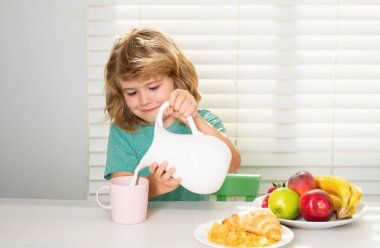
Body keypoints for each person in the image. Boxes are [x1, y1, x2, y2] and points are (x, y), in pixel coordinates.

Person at [104, 28, 241, 201]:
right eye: (131, 92)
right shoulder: (123, 132)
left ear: (176, 80)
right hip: (145, 225)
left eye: (153, 87)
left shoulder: (203, 120)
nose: (144, 100)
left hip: (194, 223)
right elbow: (122, 193)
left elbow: (233, 162)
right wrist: (158, 184)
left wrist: (195, 119)